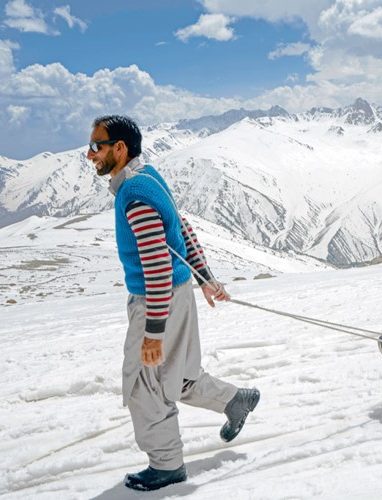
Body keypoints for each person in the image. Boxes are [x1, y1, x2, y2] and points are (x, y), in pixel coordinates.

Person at [86, 115, 260, 491]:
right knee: (175, 375)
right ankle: (235, 400)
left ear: (120, 148)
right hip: (176, 295)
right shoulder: (149, 177)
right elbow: (181, 230)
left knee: (143, 384)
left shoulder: (134, 194)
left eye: (97, 146)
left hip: (156, 299)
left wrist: (152, 332)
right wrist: (205, 277)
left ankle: (166, 466)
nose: (90, 154)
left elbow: (157, 266)